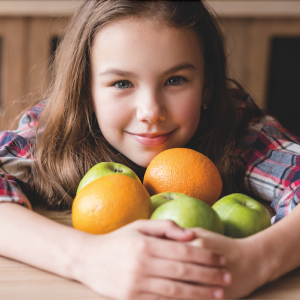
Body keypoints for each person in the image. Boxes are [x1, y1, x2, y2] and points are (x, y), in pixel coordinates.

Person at [1, 0, 300, 299]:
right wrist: (86, 258)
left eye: (175, 80)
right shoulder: (51, 132)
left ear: (206, 84)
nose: (151, 112)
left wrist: (256, 260)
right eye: (121, 83)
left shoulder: (239, 128)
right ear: (86, 90)